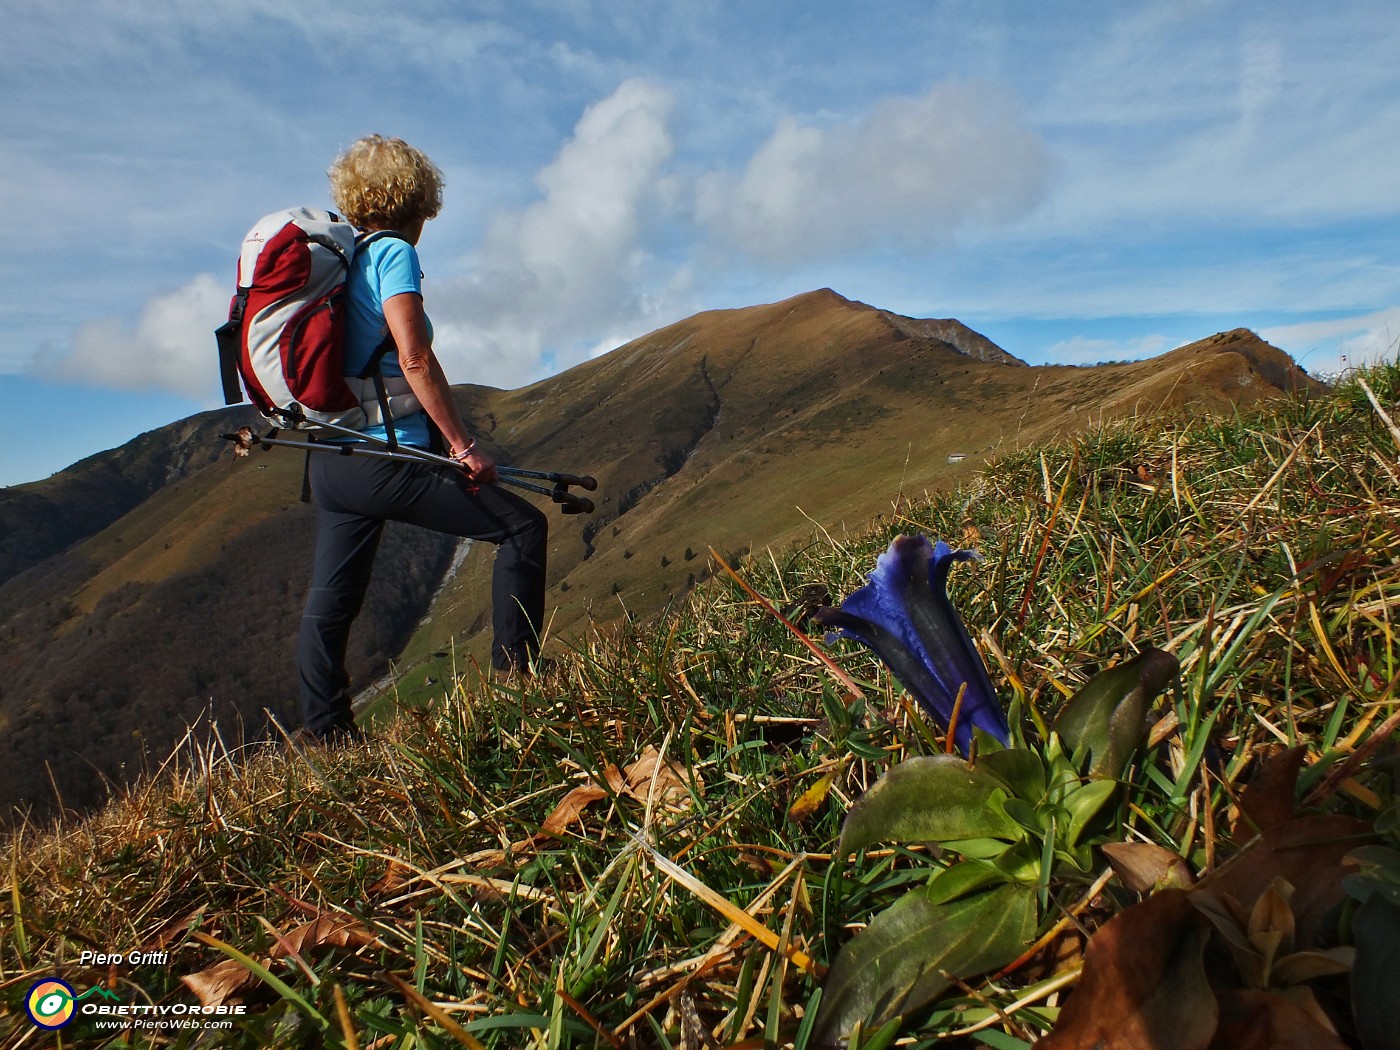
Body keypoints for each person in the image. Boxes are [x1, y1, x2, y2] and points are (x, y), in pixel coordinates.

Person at [296, 134, 548, 742]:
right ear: (418, 200)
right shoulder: (392, 256)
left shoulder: (341, 259)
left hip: (330, 458)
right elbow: (413, 355)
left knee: (332, 598)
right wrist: (463, 448)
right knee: (522, 528)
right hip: (388, 457)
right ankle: (518, 687)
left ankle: (325, 734)